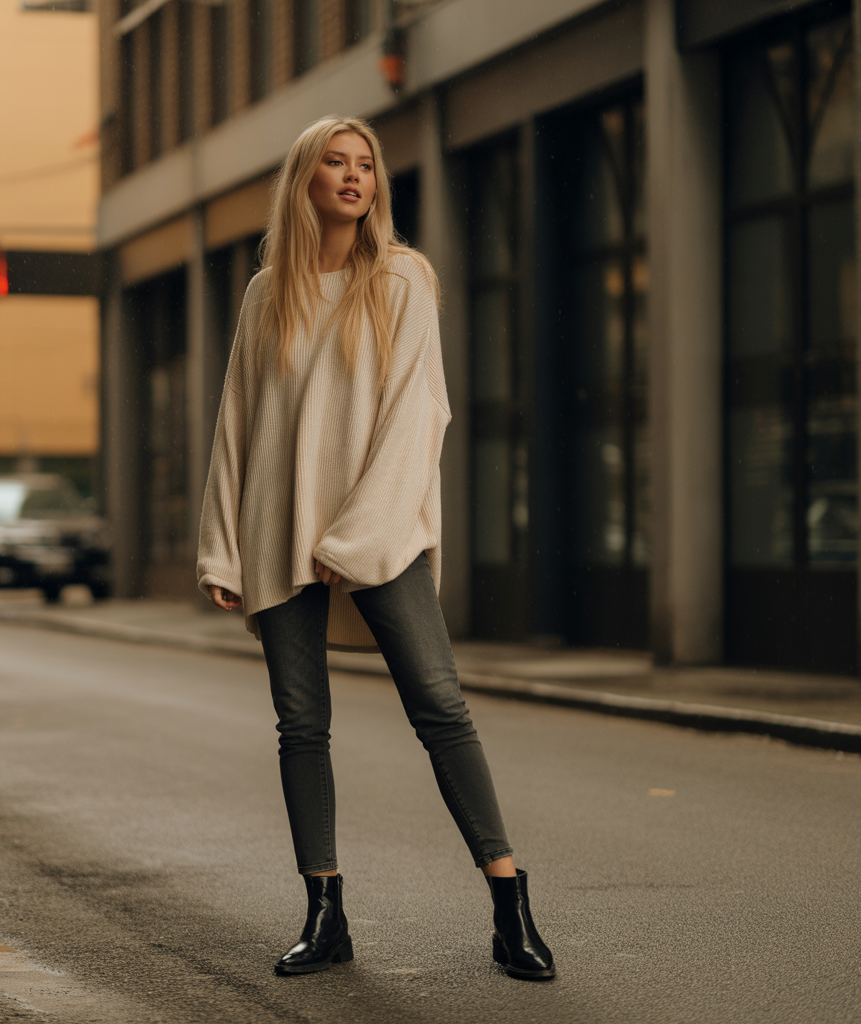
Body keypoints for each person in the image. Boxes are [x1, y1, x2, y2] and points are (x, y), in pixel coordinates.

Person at [197, 115, 554, 981]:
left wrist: (356, 535)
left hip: (379, 528)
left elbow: (418, 415)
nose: (354, 177)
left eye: (366, 165)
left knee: (440, 707)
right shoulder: (264, 294)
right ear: (304, 179)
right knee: (300, 722)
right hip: (277, 526)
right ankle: (325, 912)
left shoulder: (401, 281)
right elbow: (237, 425)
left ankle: (511, 906)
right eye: (336, 162)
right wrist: (222, 550)